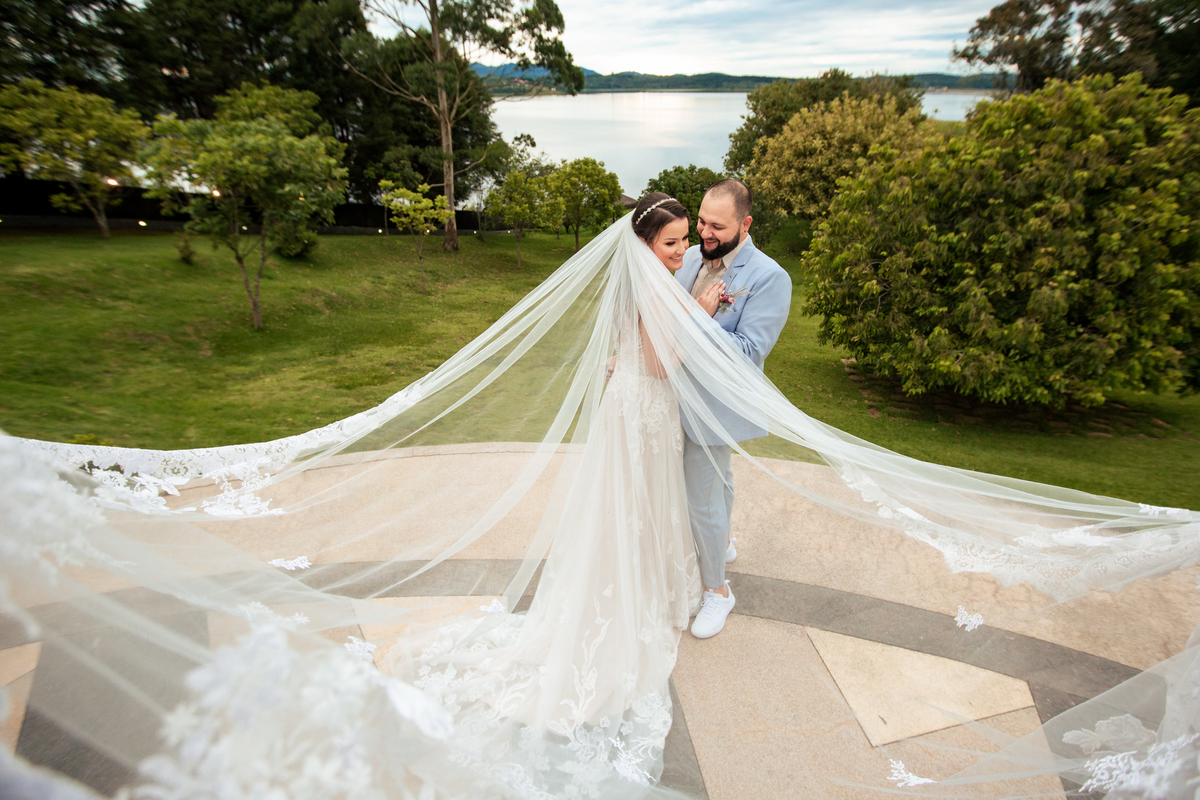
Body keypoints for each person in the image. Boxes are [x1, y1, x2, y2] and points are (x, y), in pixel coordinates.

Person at [5, 188, 1200, 800]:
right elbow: (672, 352)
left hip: (656, 413)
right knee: (637, 520)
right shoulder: (673, 285)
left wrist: (708, 309)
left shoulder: (702, 279)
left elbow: (709, 347)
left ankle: (683, 583)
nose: (694, 242)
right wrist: (700, 309)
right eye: (683, 233)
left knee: (649, 520)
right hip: (645, 409)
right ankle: (658, 596)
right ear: (660, 240)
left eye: (703, 233)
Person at [673, 179, 792, 638]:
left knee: (701, 498)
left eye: (716, 226)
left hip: (715, 406)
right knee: (718, 481)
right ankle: (721, 543)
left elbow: (747, 351)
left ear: (744, 224)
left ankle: (717, 592)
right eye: (701, 221)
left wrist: (698, 320)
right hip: (677, 393)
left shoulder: (769, 278)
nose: (703, 232)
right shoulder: (688, 259)